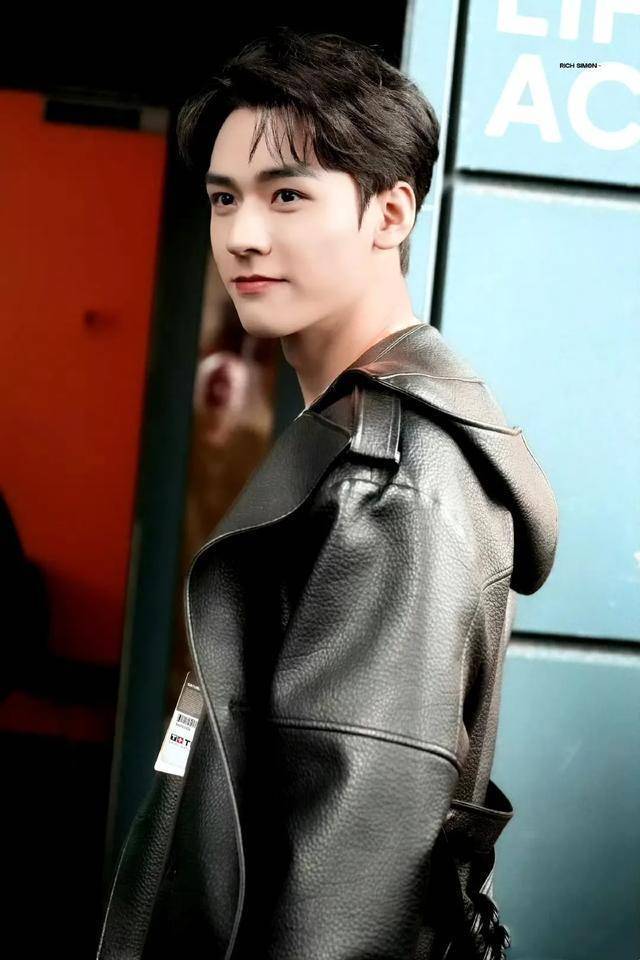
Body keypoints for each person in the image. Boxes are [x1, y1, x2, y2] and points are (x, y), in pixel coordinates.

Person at [96, 27, 558, 960]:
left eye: (288, 195)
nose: (242, 234)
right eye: (224, 197)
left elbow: (345, 890)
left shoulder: (392, 485)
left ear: (390, 213)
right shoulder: (353, 439)